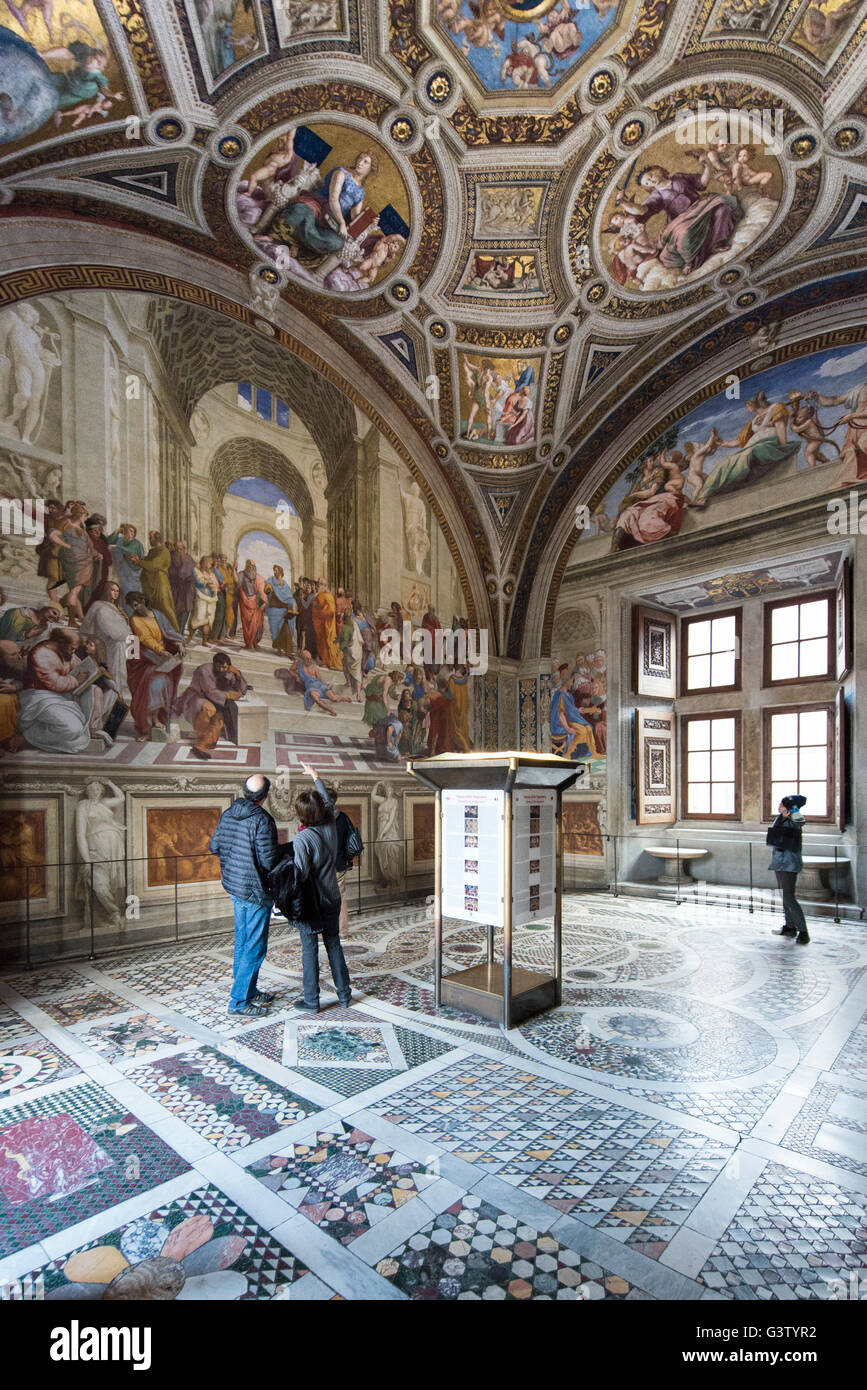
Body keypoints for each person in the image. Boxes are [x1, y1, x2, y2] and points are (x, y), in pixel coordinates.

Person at [209, 773, 281, 1017]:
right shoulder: (262, 820)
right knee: (255, 946)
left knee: (243, 941)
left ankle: (248, 991)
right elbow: (269, 861)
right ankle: (239, 1001)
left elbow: (214, 846)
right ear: (266, 795)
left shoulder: (229, 813)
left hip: (234, 885)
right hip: (254, 890)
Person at [287, 764, 352, 1012]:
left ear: (302, 816)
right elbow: (326, 802)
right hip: (333, 897)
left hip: (314, 903)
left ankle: (312, 1000)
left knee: (309, 949)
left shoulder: (303, 839)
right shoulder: (330, 826)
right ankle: (345, 995)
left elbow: (300, 875)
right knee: (334, 944)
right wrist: (316, 777)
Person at [126, 591, 185, 741]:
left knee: (163, 682)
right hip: (145, 657)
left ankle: (157, 718)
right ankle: (148, 725)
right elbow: (144, 637)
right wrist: (160, 650)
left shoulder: (157, 614)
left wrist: (178, 643)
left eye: (138, 604)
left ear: (143, 601)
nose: (137, 608)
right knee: (151, 685)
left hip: (163, 656)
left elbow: (170, 631)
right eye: (133, 606)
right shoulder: (134, 619)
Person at [175, 649, 248, 760]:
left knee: (218, 720)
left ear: (228, 666)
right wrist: (228, 696)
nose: (221, 670)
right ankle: (200, 743)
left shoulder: (229, 671)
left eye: (224, 667)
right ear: (214, 664)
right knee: (209, 709)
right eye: (218, 667)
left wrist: (238, 674)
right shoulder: (204, 670)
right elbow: (209, 691)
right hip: (197, 696)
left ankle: (200, 746)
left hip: (217, 700)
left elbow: (242, 690)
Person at [767, 794, 810, 945]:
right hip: (779, 862)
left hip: (789, 863)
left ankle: (803, 931)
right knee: (784, 896)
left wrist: (794, 809)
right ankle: (790, 926)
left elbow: (801, 821)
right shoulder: (780, 817)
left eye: (782, 804)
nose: (779, 806)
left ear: (789, 807)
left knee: (789, 898)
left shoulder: (795, 818)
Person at [323, 782, 362, 937]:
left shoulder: (319, 819)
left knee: (322, 899)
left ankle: (322, 933)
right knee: (340, 898)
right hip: (339, 863)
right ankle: (343, 931)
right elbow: (350, 839)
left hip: (322, 866)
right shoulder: (343, 817)